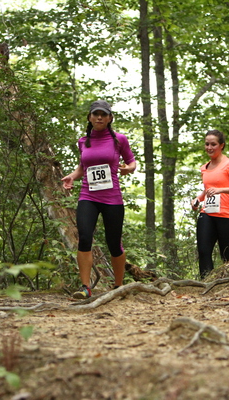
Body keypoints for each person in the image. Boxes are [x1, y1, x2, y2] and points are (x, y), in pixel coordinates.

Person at [61, 100, 137, 299]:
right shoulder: (83, 141)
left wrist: (128, 168)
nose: (99, 118)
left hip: (112, 198)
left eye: (104, 114)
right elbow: (83, 166)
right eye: (96, 114)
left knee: (114, 243)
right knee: (84, 237)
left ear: (110, 118)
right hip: (88, 196)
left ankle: (118, 286)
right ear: (90, 117)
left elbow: (131, 161)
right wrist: (72, 176)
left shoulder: (119, 139)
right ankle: (85, 287)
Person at [191, 129, 229, 279]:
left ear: (221, 145)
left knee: (227, 255)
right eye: (207, 144)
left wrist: (221, 190)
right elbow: (208, 190)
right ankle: (206, 283)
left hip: (228, 215)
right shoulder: (205, 167)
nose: (209, 147)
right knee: (204, 251)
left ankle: (228, 283)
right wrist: (198, 200)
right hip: (207, 213)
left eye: (213, 144)